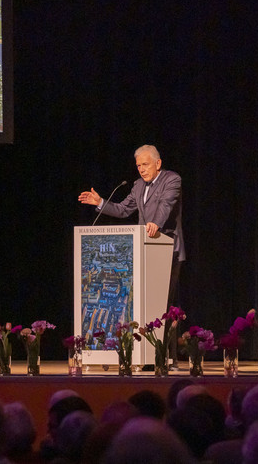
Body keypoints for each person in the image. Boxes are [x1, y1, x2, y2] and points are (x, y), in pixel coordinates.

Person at [78, 144, 185, 364]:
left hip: (167, 250)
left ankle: (168, 356)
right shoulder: (137, 186)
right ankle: (143, 355)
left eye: (145, 165)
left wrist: (156, 222)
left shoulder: (172, 180)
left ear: (158, 163)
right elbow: (123, 210)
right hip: (142, 250)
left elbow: (166, 205)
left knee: (164, 307)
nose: (141, 169)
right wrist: (99, 202)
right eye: (138, 166)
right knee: (142, 304)